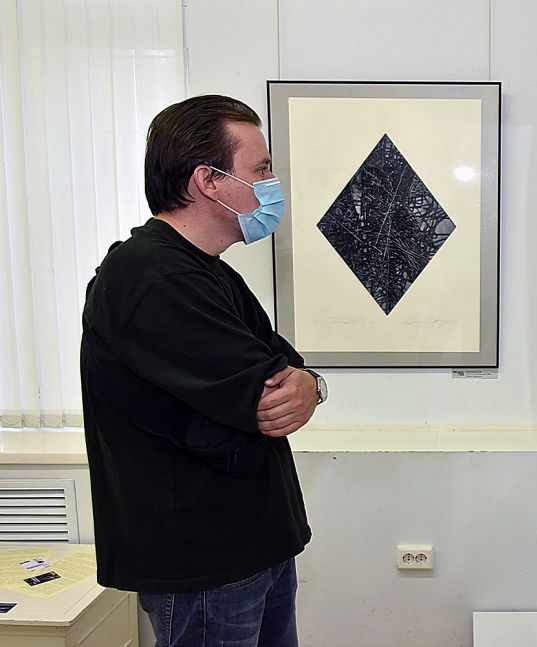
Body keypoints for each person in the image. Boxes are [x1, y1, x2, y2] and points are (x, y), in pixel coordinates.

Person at [80, 94, 326, 647]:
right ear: (208, 181)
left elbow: (286, 366)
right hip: (205, 562)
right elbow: (266, 394)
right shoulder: (151, 277)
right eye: (261, 169)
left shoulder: (207, 271)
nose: (272, 183)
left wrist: (312, 385)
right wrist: (295, 383)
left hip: (252, 546)